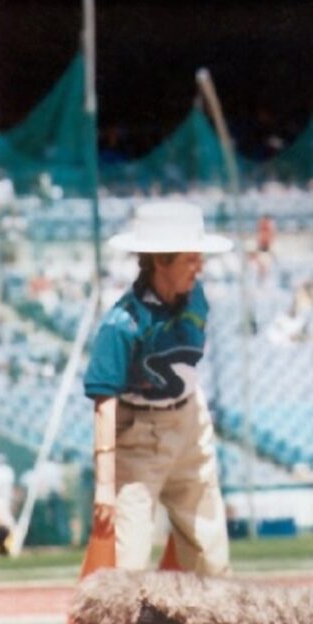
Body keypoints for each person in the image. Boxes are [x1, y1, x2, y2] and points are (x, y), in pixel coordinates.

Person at [84, 201, 233, 574]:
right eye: (190, 258)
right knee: (126, 564)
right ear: (160, 261)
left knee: (212, 559)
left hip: (189, 423)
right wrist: (105, 486)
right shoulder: (122, 324)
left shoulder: (196, 297)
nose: (199, 266)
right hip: (138, 436)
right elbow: (104, 400)